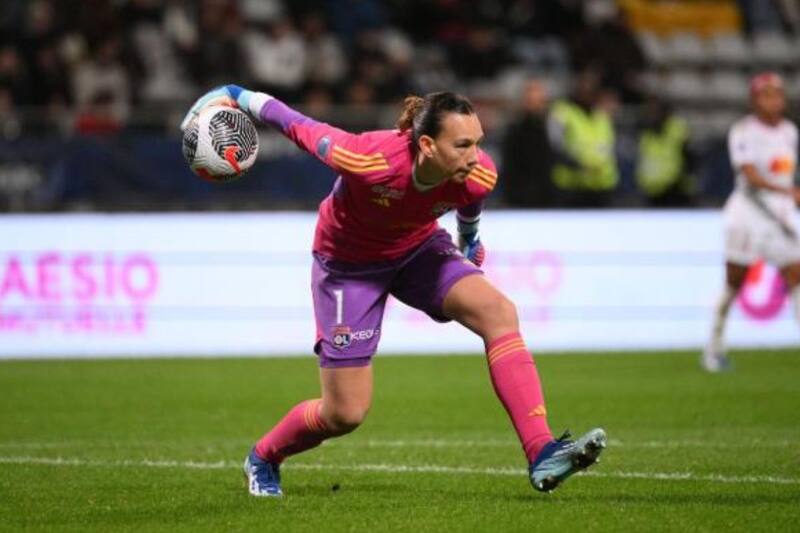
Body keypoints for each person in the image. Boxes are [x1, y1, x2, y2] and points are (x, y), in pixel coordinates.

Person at [181, 85, 607, 496]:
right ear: (425, 146)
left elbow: (470, 202)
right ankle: (263, 457)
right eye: (462, 145)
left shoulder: (478, 174)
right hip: (348, 268)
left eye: (477, 142)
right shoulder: (367, 158)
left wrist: (469, 240)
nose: (475, 156)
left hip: (418, 249)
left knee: (499, 312)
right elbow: (298, 125)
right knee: (345, 413)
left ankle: (542, 451)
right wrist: (238, 95)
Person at [704, 72, 800, 372]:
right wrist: (787, 190)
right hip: (748, 214)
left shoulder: (789, 132)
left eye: (777, 94)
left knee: (796, 274)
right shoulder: (744, 131)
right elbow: (750, 175)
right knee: (734, 283)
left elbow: (786, 172)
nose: (774, 100)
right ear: (755, 100)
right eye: (766, 94)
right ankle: (714, 348)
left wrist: (787, 194)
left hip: (779, 216)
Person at [547, 68, 618, 208]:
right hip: (572, 187)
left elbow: (608, 147)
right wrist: (578, 166)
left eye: (592, 87)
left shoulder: (602, 116)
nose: (588, 91)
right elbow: (555, 146)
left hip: (602, 186)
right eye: (584, 86)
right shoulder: (562, 113)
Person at [500, 79, 555, 208]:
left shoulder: (553, 127)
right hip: (519, 197)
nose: (533, 102)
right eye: (529, 98)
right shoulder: (514, 129)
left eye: (537, 98)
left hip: (547, 197)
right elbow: (510, 165)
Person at [635, 96, 695, 208]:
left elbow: (689, 156)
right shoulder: (644, 131)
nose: (652, 114)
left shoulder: (677, 128)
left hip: (675, 188)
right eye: (649, 111)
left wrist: (686, 183)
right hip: (651, 189)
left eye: (655, 111)